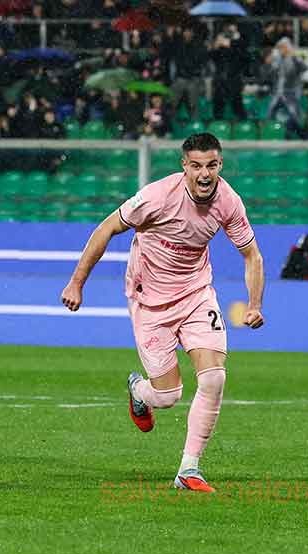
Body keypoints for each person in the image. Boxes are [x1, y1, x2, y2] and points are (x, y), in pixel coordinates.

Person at [61, 133, 265, 493]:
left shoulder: (229, 201)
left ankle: (189, 469)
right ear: (184, 166)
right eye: (197, 166)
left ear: (220, 164)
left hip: (196, 294)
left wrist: (255, 304)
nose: (205, 174)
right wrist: (77, 283)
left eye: (212, 165)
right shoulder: (157, 197)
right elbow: (107, 228)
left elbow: (252, 255)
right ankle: (139, 391)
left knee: (214, 378)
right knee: (169, 396)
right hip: (150, 301)